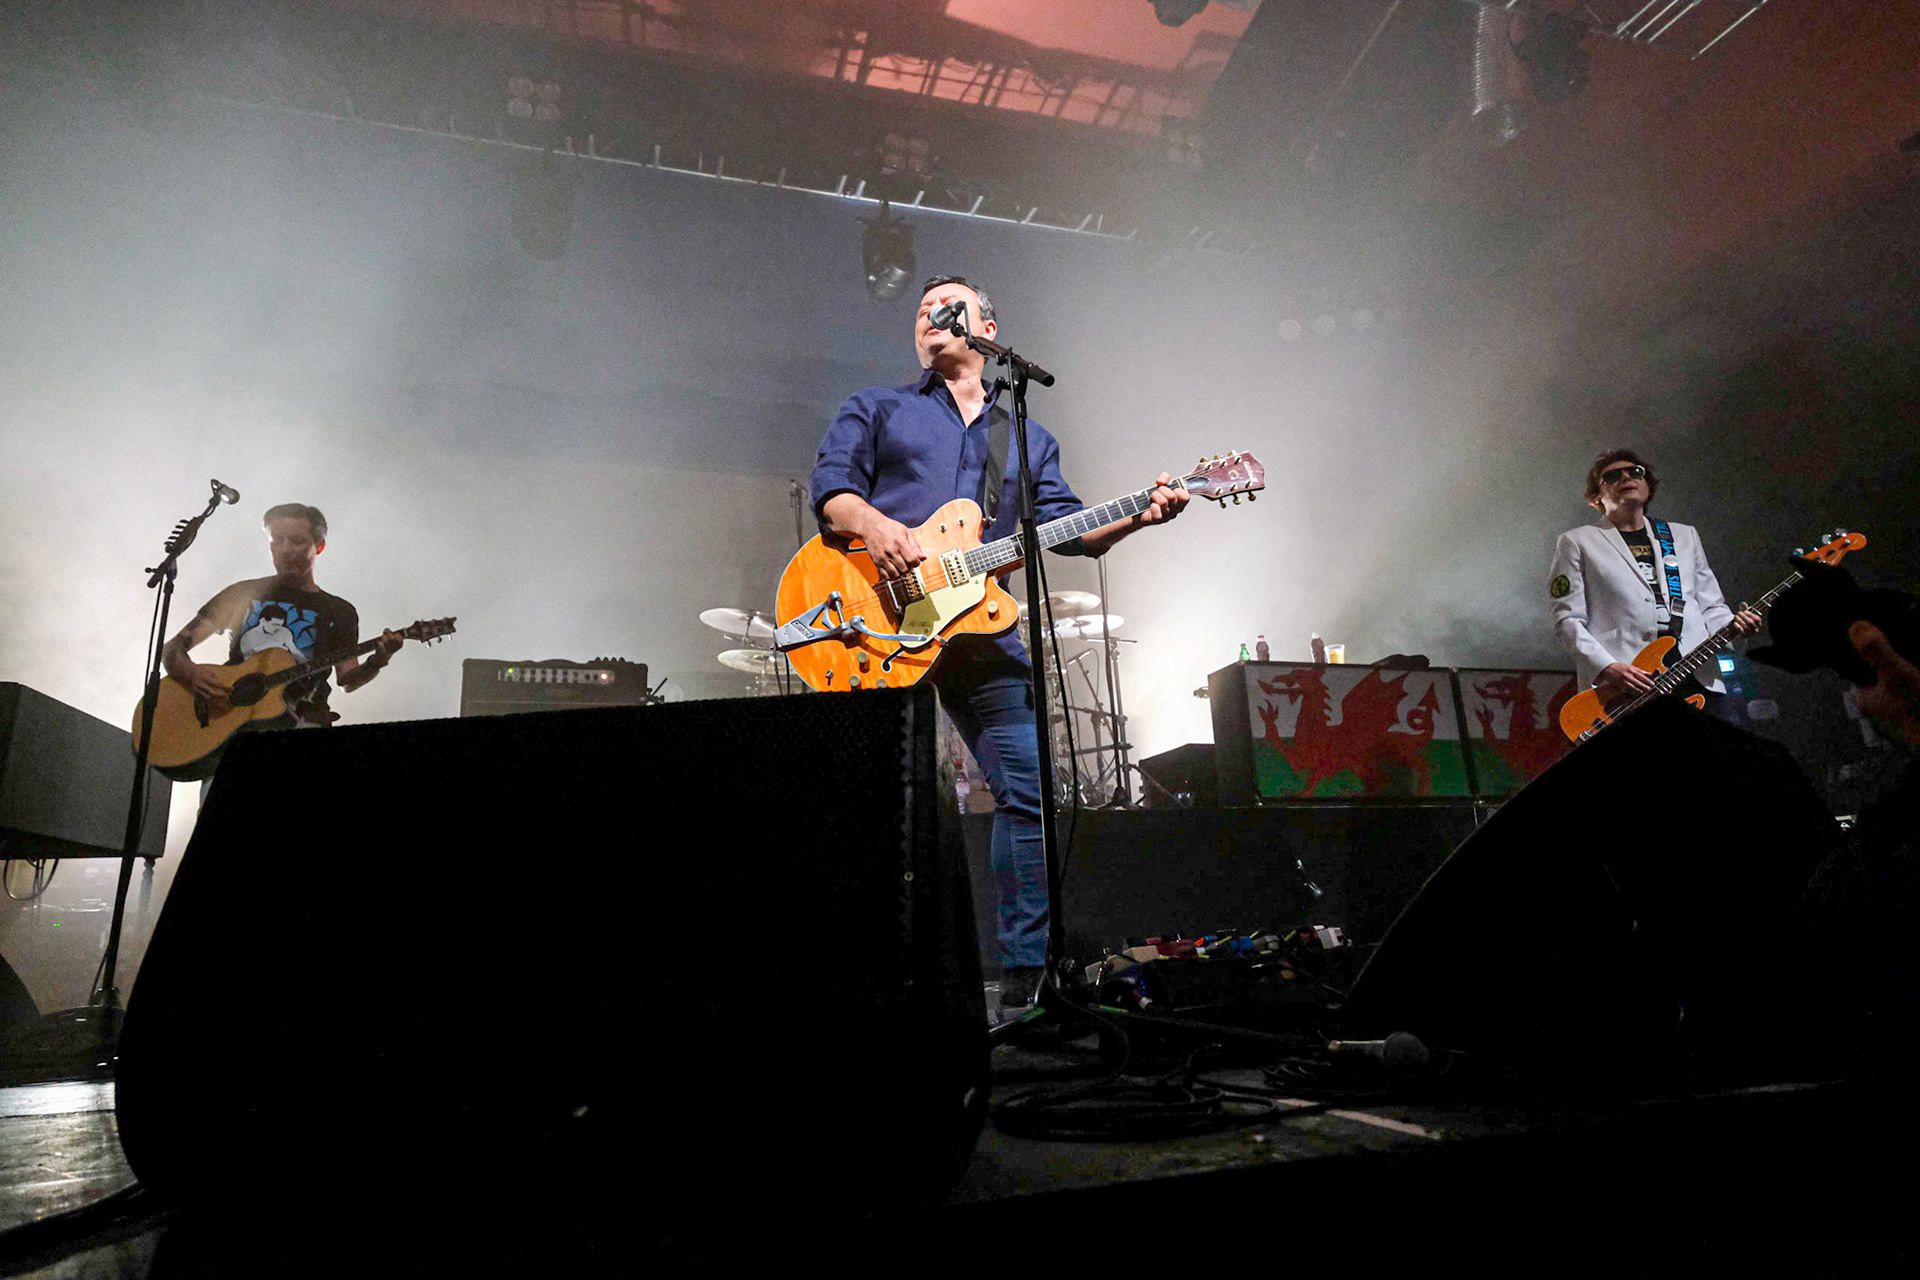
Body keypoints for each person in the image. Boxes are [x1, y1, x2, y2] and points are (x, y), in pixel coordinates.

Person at [809, 275, 1188, 1009]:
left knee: (1029, 792)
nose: (930, 317)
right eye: (922, 311)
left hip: (981, 631)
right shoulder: (878, 406)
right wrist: (876, 525)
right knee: (871, 801)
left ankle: (1025, 974)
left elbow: (1071, 531)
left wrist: (1141, 515)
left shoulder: (1027, 435)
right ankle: (862, 978)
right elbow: (832, 489)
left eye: (946, 308)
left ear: (986, 327)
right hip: (879, 621)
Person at [1548, 449, 1761, 716]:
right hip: (1627, 686)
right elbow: (1567, 620)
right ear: (1596, 496)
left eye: (1636, 472)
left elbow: (1711, 607)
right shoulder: (1577, 541)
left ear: (1647, 486)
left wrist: (1735, 627)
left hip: (1697, 677)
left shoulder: (1684, 536)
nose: (1627, 477)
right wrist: (1607, 668)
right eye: (1613, 476)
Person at [161, 503, 401, 733]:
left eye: (297, 541)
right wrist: (191, 674)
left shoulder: (340, 611)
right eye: (277, 540)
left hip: (303, 723)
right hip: (231, 724)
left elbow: (347, 680)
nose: (285, 549)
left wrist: (377, 661)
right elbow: (172, 649)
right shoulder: (242, 593)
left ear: (319, 546)